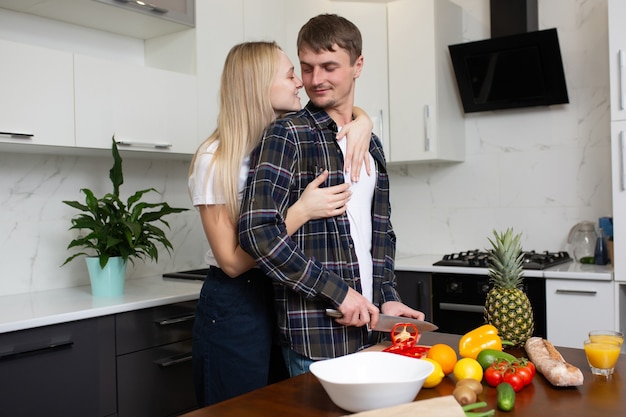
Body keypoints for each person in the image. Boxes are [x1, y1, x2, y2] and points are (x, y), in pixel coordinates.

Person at [238, 14, 425, 378]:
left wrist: (387, 295)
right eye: (306, 68)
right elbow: (256, 233)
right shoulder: (287, 134)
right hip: (318, 337)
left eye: (328, 66)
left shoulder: (371, 142)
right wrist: (339, 293)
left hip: (372, 327)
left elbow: (380, 231)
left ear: (358, 65)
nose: (315, 80)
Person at [188, 41, 374, 406]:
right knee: (238, 410)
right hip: (236, 303)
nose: (301, 83)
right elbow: (232, 262)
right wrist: (300, 212)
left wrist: (363, 120)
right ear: (259, 85)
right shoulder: (215, 158)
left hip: (283, 294)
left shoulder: (282, 140)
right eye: (291, 74)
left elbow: (334, 106)